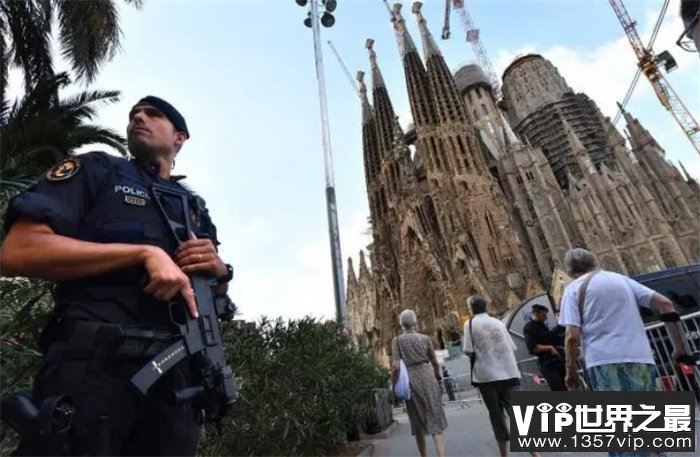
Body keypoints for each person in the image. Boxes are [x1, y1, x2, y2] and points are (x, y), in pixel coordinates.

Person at [1, 96, 234, 456]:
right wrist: (142, 253)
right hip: (93, 370)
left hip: (177, 384)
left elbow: (212, 295)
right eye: (134, 114)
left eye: (153, 114)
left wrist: (221, 271)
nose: (139, 117)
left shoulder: (193, 209)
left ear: (180, 138)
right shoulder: (97, 170)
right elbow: (19, 251)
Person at [559, 248, 686, 396]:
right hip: (640, 357)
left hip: (604, 361)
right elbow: (666, 305)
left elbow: (572, 336)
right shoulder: (620, 279)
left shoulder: (572, 290)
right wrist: (678, 347)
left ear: (570, 272)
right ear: (594, 262)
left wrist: (571, 370)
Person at [463, 296, 539, 457]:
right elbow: (511, 347)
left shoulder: (469, 324)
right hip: (509, 373)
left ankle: (503, 454)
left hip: (487, 377)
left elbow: (468, 350)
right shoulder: (498, 323)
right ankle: (535, 453)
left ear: (471, 309)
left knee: (496, 415)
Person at [391, 310, 447, 457]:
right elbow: (435, 362)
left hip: (411, 380)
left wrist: (395, 386)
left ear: (401, 324)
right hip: (427, 377)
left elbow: (395, 367)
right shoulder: (425, 338)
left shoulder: (397, 341)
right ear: (415, 322)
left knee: (417, 422)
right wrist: (437, 377)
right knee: (435, 419)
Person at [523, 304, 566, 391]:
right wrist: (549, 348)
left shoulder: (543, 326)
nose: (546, 318)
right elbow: (533, 348)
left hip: (558, 361)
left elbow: (549, 337)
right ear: (536, 313)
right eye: (543, 315)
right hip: (547, 364)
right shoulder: (529, 328)